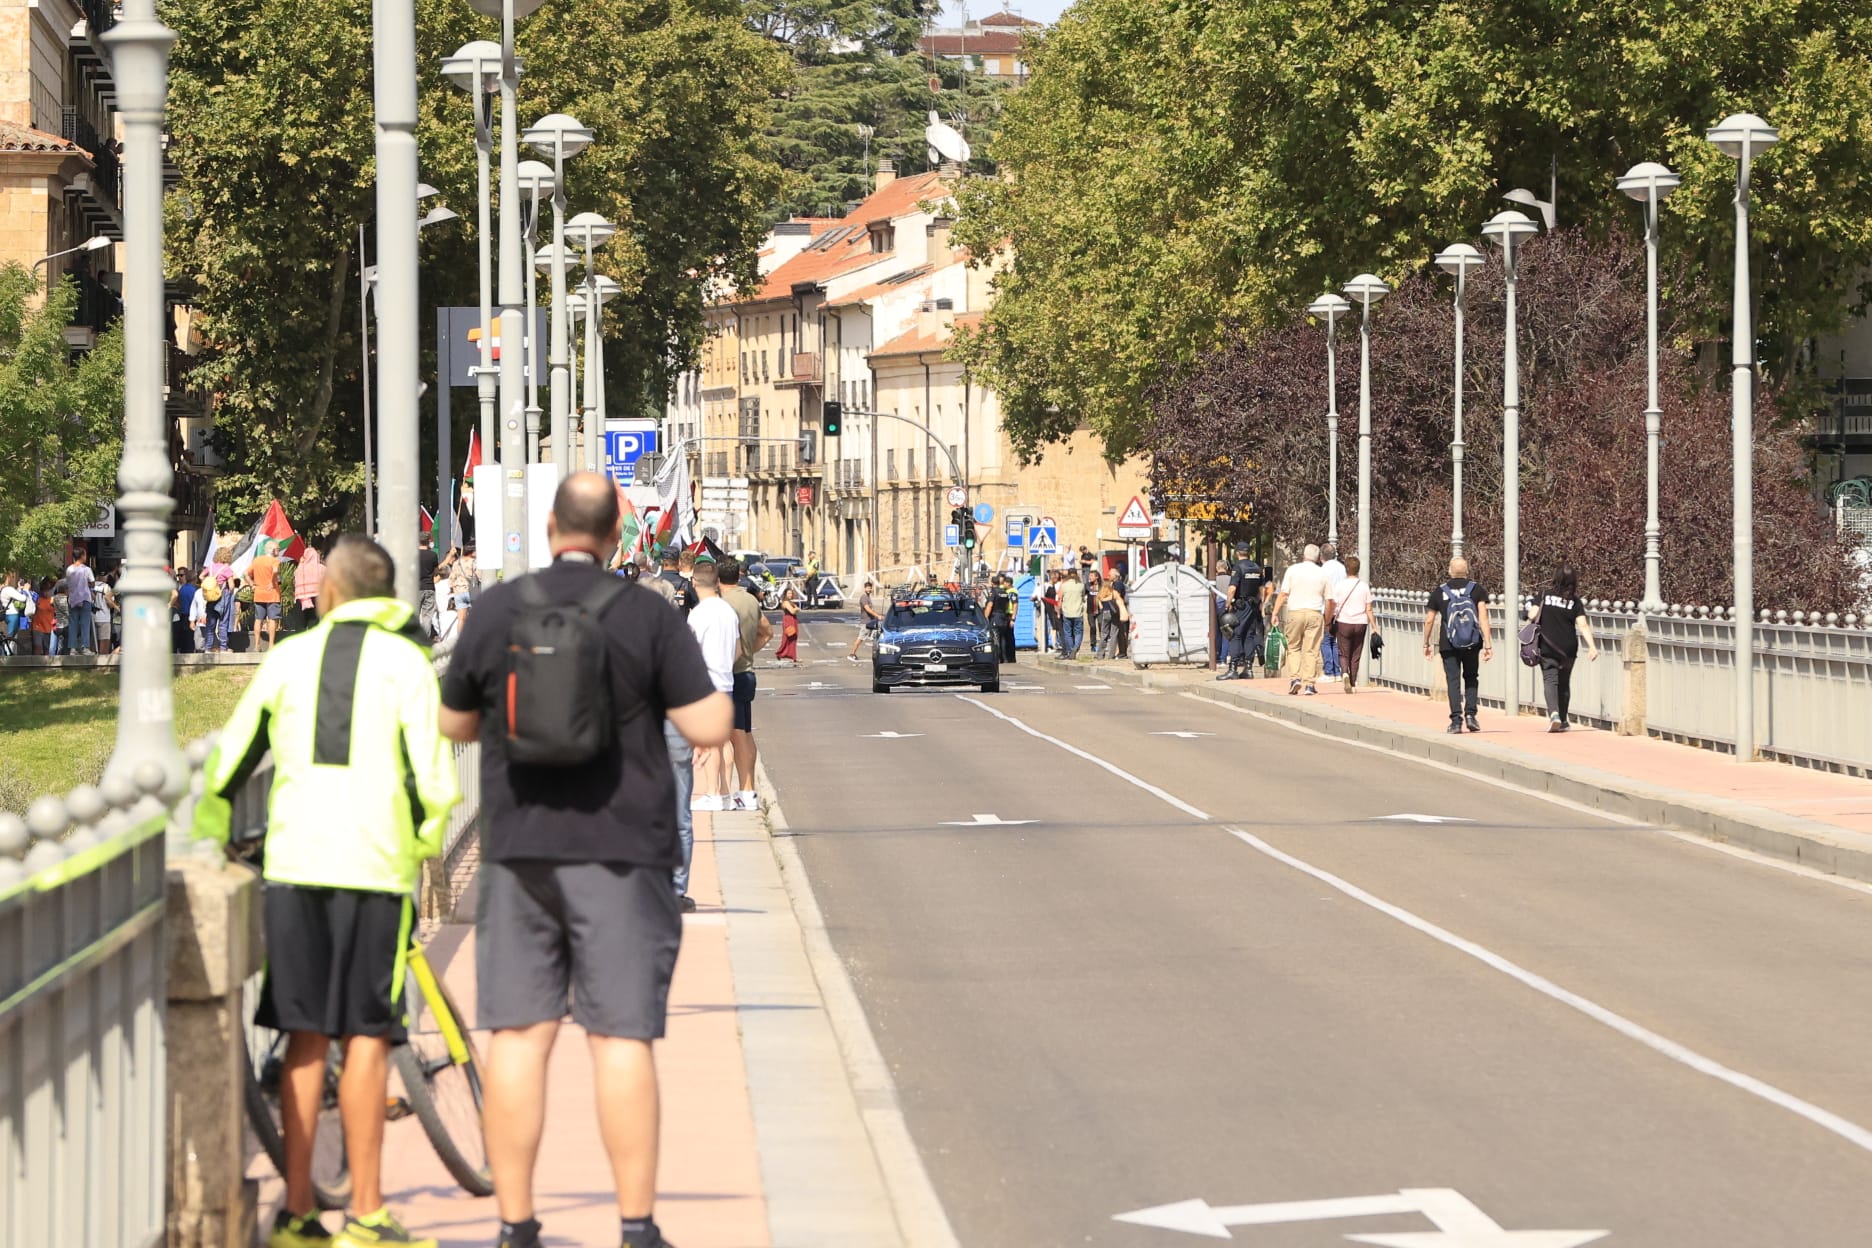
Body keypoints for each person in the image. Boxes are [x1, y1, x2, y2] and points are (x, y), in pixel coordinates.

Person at [438, 473, 731, 1248]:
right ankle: (636, 1227)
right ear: (614, 535)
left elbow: (453, 723)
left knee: (518, 1037)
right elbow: (707, 727)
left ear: (550, 527)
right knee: (620, 1039)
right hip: (623, 854)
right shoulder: (647, 613)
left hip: (518, 851)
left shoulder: (497, 609)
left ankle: (515, 1226)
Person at [193, 534, 458, 1248]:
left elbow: (229, 763)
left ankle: (298, 1213)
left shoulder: (288, 658)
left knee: (304, 1036)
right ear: (388, 597)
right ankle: (367, 1216)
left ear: (329, 591)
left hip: (295, 867)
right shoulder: (406, 664)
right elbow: (435, 784)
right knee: (368, 1037)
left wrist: (217, 836)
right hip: (373, 872)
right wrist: (418, 847)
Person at [685, 560, 741, 815]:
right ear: (717, 582)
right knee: (724, 741)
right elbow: (738, 650)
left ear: (694, 583)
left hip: (705, 683)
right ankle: (726, 792)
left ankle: (712, 793)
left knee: (709, 742)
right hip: (727, 681)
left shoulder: (698, 614)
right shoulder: (728, 611)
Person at [717, 558, 772, 814]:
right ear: (738, 576)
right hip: (747, 671)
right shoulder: (751, 600)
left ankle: (743, 791)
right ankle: (749, 788)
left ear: (718, 578)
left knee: (734, 734)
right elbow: (767, 632)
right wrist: (750, 652)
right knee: (746, 732)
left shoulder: (722, 604)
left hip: (731, 673)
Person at [1422, 556, 1494, 734]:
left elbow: (1429, 620)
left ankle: (1456, 721)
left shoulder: (1440, 591)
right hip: (1472, 642)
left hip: (1448, 644)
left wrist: (1426, 643)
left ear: (1449, 571)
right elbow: (1483, 617)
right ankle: (1471, 715)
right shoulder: (1476, 589)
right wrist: (1488, 644)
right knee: (1471, 677)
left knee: (1453, 680)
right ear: (1467, 570)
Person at [1536, 568, 1599, 732]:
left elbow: (1532, 615)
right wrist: (1592, 646)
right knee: (1564, 683)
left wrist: (1530, 608)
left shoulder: (1544, 595)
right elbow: (1583, 625)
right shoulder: (1575, 601)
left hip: (1548, 645)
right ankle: (1563, 720)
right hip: (1568, 648)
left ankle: (1554, 714)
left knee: (1550, 679)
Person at [1270, 544, 1332, 695]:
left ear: (1304, 555)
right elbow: (1329, 600)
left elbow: (1284, 594)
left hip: (1295, 612)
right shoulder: (1322, 573)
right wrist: (1327, 619)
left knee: (1293, 647)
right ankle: (1309, 684)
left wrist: (1275, 612)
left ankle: (1295, 678)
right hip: (1314, 612)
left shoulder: (1293, 570)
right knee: (1311, 650)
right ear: (1318, 558)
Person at [1325, 554, 1378, 692]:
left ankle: (1344, 673)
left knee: (1343, 652)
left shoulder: (1339, 585)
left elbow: (1333, 604)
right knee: (1356, 654)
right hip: (1360, 623)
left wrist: (1328, 620)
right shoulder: (1364, 586)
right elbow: (1369, 609)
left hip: (1343, 622)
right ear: (1358, 569)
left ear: (1346, 569)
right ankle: (1353, 683)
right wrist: (1374, 626)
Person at [1217, 541, 1269, 680]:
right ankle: (1248, 669)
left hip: (1241, 605)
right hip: (1253, 605)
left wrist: (1228, 604)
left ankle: (1233, 669)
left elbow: (1232, 588)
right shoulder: (1256, 567)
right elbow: (1262, 588)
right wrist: (1261, 603)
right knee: (1249, 636)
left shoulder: (1238, 567)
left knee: (1235, 635)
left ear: (1237, 553)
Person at [1317, 543, 1346, 679]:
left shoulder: (1323, 570)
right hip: (1340, 608)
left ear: (1321, 556)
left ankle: (1329, 671)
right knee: (1335, 641)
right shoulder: (1342, 568)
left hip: (1327, 607)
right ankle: (1337, 671)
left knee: (1325, 640)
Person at [250, 544, 284, 652]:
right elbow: (275, 571)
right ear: (273, 550)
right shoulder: (274, 561)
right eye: (278, 549)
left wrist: (252, 584)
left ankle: (257, 645)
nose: (279, 551)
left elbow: (246, 573)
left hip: (259, 593)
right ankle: (271, 645)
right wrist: (272, 582)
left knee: (258, 619)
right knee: (272, 619)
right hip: (272, 594)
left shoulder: (256, 560)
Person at [203, 546, 235, 653]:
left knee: (210, 624)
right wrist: (229, 593)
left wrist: (210, 584)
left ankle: (208, 648)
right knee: (223, 623)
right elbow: (231, 586)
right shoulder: (227, 569)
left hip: (211, 597)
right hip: (223, 596)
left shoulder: (210, 567)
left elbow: (201, 576)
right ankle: (223, 647)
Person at [65, 546, 95, 655]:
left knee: (73, 623)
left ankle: (72, 648)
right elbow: (92, 582)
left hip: (73, 599)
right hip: (85, 599)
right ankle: (84, 647)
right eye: (85, 554)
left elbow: (68, 583)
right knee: (85, 624)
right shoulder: (87, 569)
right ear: (82, 556)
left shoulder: (69, 569)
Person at [847, 580, 882, 660]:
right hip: (866, 623)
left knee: (876, 637)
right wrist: (877, 615)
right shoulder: (864, 598)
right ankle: (852, 654)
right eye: (868, 588)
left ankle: (878, 655)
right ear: (865, 588)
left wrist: (876, 617)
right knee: (860, 638)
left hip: (871, 622)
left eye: (870, 588)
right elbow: (867, 609)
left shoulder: (868, 597)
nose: (869, 589)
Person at [1057, 566, 1087, 658]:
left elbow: (1060, 598)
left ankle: (1070, 651)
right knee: (1078, 632)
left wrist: (1058, 611)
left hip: (1067, 612)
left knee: (1068, 633)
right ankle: (1075, 648)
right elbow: (1083, 597)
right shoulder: (1081, 585)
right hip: (1078, 612)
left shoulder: (1064, 585)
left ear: (1068, 575)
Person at [294, 546, 326, 627]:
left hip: (301, 598)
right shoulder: (320, 568)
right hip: (315, 595)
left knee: (304, 620)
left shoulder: (299, 569)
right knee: (314, 619)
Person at [988, 574, 1017, 662]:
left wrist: (1013, 618)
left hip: (1008, 616)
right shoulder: (1005, 591)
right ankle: (1005, 658)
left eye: (1004, 583)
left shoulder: (1012, 592)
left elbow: (1015, 605)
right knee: (1003, 637)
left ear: (1008, 583)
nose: (1003, 584)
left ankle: (1009, 658)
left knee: (1006, 637)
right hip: (1004, 615)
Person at [774, 586, 800, 665]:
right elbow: (792, 611)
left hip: (793, 620)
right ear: (785, 594)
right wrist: (796, 609)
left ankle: (793, 657)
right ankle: (780, 653)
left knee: (793, 638)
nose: (790, 595)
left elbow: (796, 610)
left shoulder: (790, 602)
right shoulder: (785, 602)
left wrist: (796, 609)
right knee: (787, 638)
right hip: (789, 620)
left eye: (791, 593)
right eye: (788, 593)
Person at [94, 570, 118, 656]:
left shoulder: (91, 586)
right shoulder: (106, 587)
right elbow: (109, 604)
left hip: (93, 618)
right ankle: (102, 662)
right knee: (104, 645)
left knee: (94, 644)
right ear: (105, 577)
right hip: (104, 618)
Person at [2, 571, 28, 653]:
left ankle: (9, 653)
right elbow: (23, 598)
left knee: (10, 637)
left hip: (6, 613)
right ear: (7, 578)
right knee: (11, 637)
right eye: (11, 577)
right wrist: (26, 590)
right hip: (13, 614)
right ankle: (7, 655)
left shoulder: (2, 589)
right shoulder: (8, 589)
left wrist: (19, 588)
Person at [30, 576, 56, 656]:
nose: (46, 593)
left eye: (48, 590)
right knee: (37, 647)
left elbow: (56, 614)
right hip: (37, 626)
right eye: (45, 590)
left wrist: (54, 627)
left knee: (47, 648)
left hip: (48, 628)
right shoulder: (38, 599)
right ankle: (35, 662)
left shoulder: (53, 600)